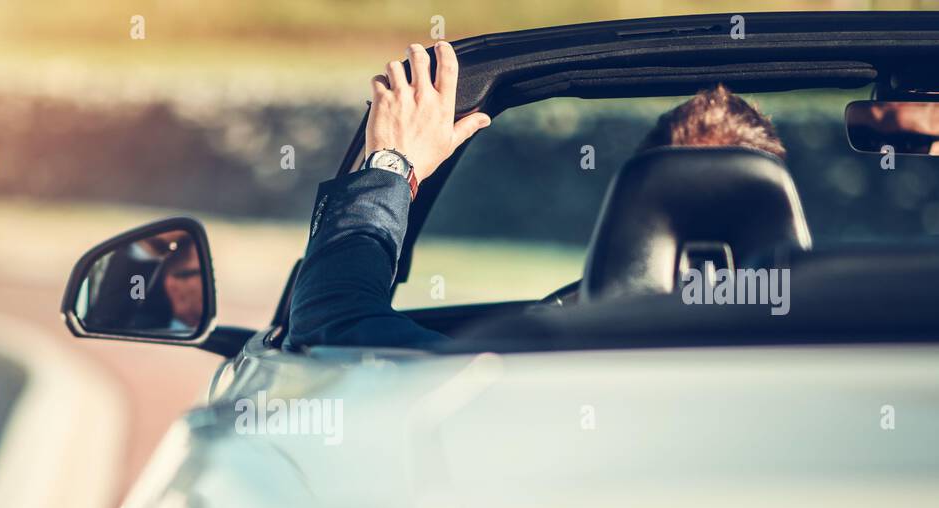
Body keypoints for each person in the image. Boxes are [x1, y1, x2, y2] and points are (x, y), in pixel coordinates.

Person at [284, 42, 787, 351]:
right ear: (781, 220)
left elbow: (332, 323)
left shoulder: (538, 364)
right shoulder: (862, 348)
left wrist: (394, 163)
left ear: (631, 221)